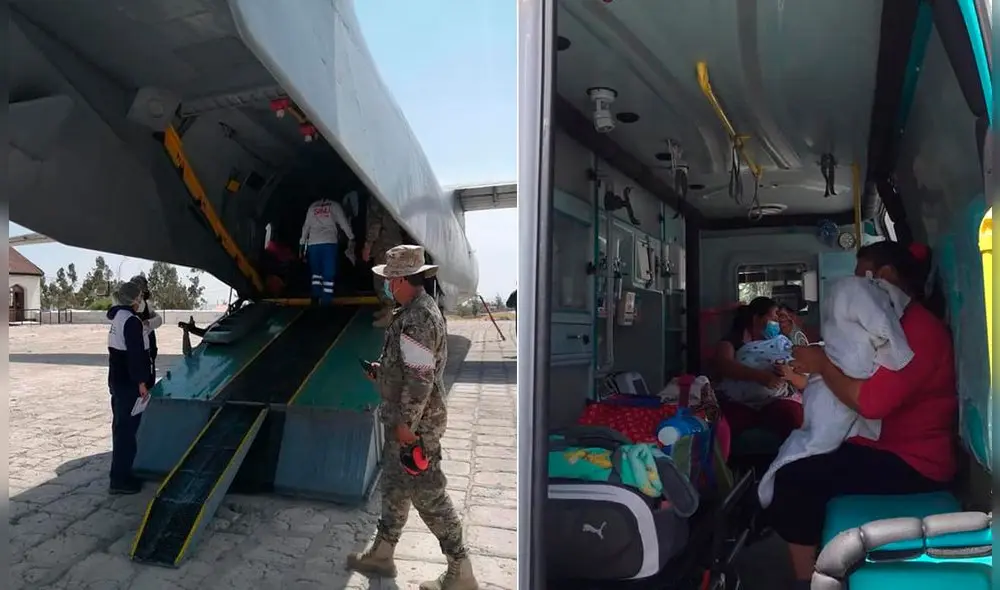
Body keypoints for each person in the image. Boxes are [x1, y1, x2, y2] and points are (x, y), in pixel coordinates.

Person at [769, 241, 957, 590]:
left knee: (794, 479)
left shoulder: (918, 332)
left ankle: (804, 581)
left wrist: (821, 365)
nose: (855, 287)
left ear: (882, 276)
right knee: (797, 455)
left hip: (916, 465)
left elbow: (871, 403)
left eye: (860, 277)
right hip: (885, 447)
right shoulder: (893, 323)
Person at [346, 244, 478, 590]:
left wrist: (407, 427)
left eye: (390, 280)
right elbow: (410, 370)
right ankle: (383, 553)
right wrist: (383, 373)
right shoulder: (410, 312)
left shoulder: (418, 319)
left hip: (417, 425)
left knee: (429, 495)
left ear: (402, 280)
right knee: (394, 487)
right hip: (406, 420)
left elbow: (420, 381)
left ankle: (460, 569)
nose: (386, 286)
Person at [712, 296, 806, 442]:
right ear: (756, 318)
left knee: (793, 415)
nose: (778, 322)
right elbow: (724, 365)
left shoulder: (781, 343)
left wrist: (789, 375)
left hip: (775, 402)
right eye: (774, 317)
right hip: (740, 403)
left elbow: (804, 378)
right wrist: (761, 377)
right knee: (724, 424)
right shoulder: (732, 341)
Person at [106, 281, 153, 495]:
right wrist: (142, 383)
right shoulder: (131, 321)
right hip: (129, 384)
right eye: (140, 297)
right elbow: (135, 356)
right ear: (135, 299)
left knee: (120, 429)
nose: (142, 300)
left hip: (117, 381)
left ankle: (120, 473)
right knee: (127, 432)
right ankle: (120, 480)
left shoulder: (117, 317)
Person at [300, 193, 355, 305]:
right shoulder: (335, 206)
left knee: (316, 273)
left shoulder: (312, 207)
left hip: (313, 244)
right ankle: (326, 301)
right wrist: (352, 237)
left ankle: (315, 298)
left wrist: (301, 244)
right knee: (328, 272)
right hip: (328, 243)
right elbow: (343, 223)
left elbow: (306, 227)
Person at [362, 197, 404, 327]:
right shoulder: (388, 196)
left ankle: (390, 314)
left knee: (385, 279)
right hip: (390, 242)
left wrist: (368, 244)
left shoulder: (376, 198)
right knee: (385, 278)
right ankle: (387, 309)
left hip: (385, 244)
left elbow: (375, 223)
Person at [130, 275, 163, 377]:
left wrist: (148, 323)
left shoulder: (146, 305)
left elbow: (158, 320)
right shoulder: (127, 307)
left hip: (149, 347)